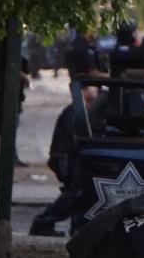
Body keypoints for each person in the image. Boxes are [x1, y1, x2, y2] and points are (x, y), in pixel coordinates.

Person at [29, 85, 101, 237]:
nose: (97, 90)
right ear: (83, 90)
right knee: (74, 195)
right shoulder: (75, 112)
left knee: (79, 195)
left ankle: (77, 227)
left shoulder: (86, 110)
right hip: (66, 161)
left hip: (71, 160)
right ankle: (43, 222)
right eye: (92, 87)